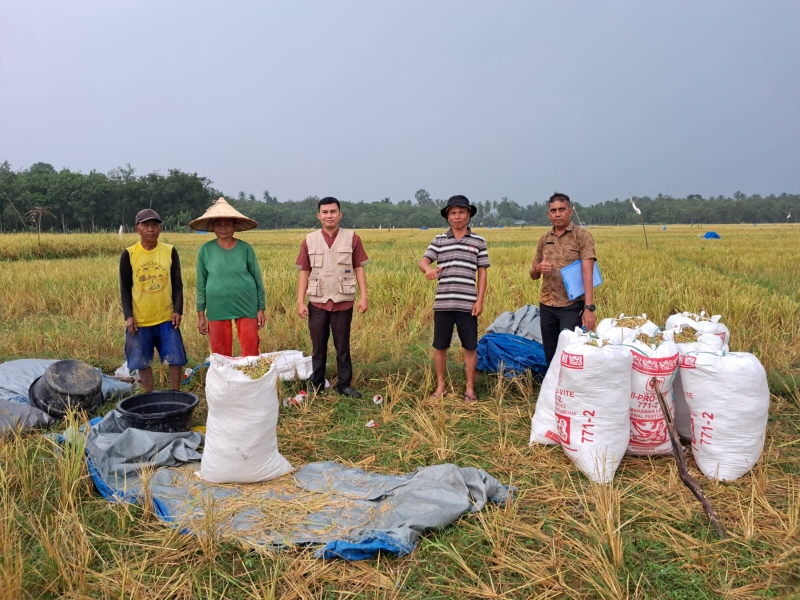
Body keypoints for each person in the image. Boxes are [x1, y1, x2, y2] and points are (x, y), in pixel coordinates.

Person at [296, 197, 369, 398]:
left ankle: (344, 385)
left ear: (340, 215)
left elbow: (359, 268)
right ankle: (317, 384)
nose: (329, 215)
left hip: (343, 301)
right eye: (325, 212)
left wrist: (364, 296)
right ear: (319, 216)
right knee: (318, 346)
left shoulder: (353, 238)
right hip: (317, 301)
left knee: (342, 345)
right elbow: (304, 271)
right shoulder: (309, 240)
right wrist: (300, 301)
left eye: (333, 211)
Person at [419, 195, 489, 403]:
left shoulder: (478, 241)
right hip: (443, 302)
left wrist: (480, 300)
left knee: (470, 347)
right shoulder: (439, 240)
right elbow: (424, 261)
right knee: (440, 345)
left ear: (468, 215)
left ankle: (469, 389)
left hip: (468, 303)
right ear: (448, 217)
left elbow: (483, 273)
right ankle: (440, 385)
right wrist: (428, 269)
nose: (457, 217)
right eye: (453, 213)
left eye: (461, 212)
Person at [119, 209, 187, 392]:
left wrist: (177, 310)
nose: (151, 229)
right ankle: (149, 394)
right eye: (146, 225)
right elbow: (125, 289)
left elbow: (177, 285)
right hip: (140, 320)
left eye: (155, 225)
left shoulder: (170, 251)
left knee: (175, 357)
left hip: (166, 318)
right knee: (142, 360)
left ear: (160, 228)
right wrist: (129, 316)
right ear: (137, 229)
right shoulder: (129, 254)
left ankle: (176, 393)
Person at [190, 198, 266, 357]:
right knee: (220, 352)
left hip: (246, 303)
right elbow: (201, 284)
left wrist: (260, 308)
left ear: (235, 225)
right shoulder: (205, 250)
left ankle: (250, 379)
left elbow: (257, 280)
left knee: (251, 348)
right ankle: (225, 380)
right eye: (218, 224)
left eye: (227, 224)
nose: (223, 228)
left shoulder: (245, 248)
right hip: (217, 305)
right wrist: (201, 314)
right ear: (212, 226)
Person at [530, 192, 597, 366]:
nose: (557, 214)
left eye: (561, 209)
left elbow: (588, 272)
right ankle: (552, 388)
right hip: (547, 304)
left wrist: (589, 308)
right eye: (553, 210)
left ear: (570, 211)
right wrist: (538, 268)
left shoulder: (582, 236)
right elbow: (533, 274)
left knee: (570, 351)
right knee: (550, 351)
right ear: (548, 214)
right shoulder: (545, 239)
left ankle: (569, 389)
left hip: (572, 306)